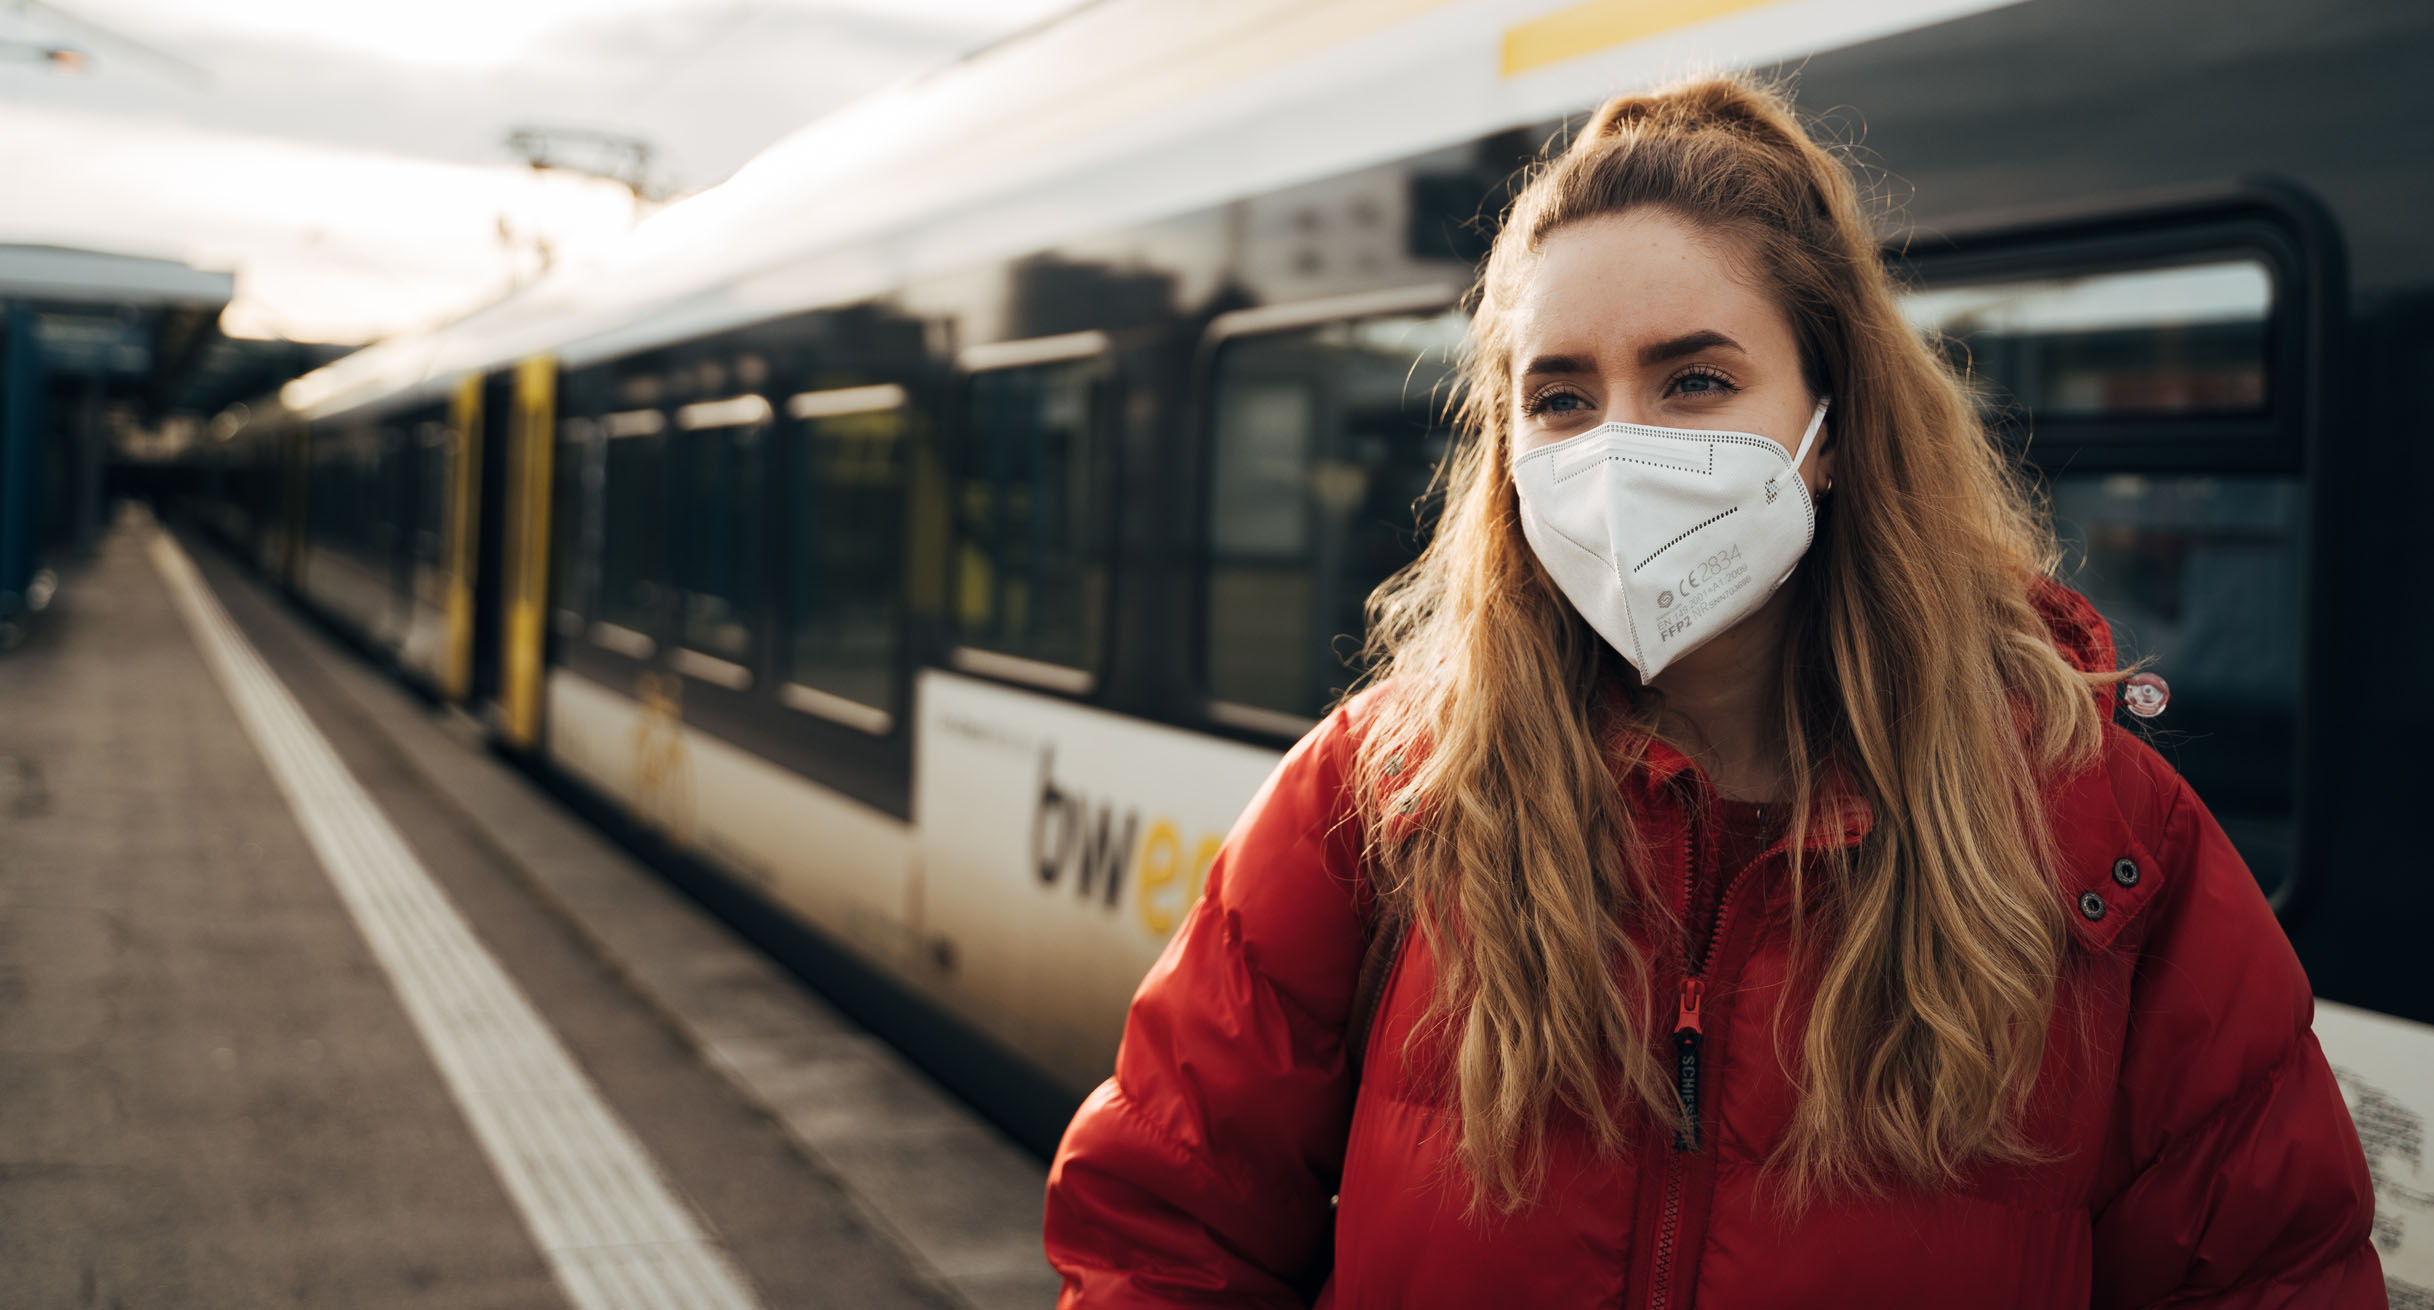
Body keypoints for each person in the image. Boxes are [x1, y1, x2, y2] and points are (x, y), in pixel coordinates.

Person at [1042, 75, 2383, 1308]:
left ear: (1833, 430)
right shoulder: (1377, 801)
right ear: (1507, 447)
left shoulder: (2103, 849)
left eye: (1693, 379)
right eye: (1559, 397)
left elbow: (2278, 1275)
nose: (1616, 449)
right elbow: (1157, 1236)